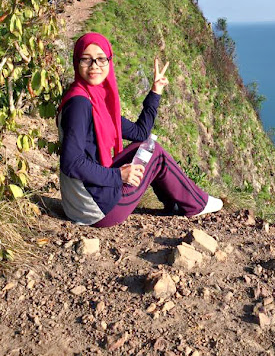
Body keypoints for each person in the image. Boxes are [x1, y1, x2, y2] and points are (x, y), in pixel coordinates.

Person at [57, 33, 223, 227]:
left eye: (101, 59)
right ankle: (197, 203)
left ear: (110, 62)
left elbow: (139, 133)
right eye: (86, 59)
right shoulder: (80, 104)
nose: (94, 65)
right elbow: (72, 162)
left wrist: (156, 91)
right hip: (95, 209)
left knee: (145, 146)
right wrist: (118, 175)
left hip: (83, 202)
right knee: (156, 154)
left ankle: (176, 203)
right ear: (77, 62)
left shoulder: (94, 101)